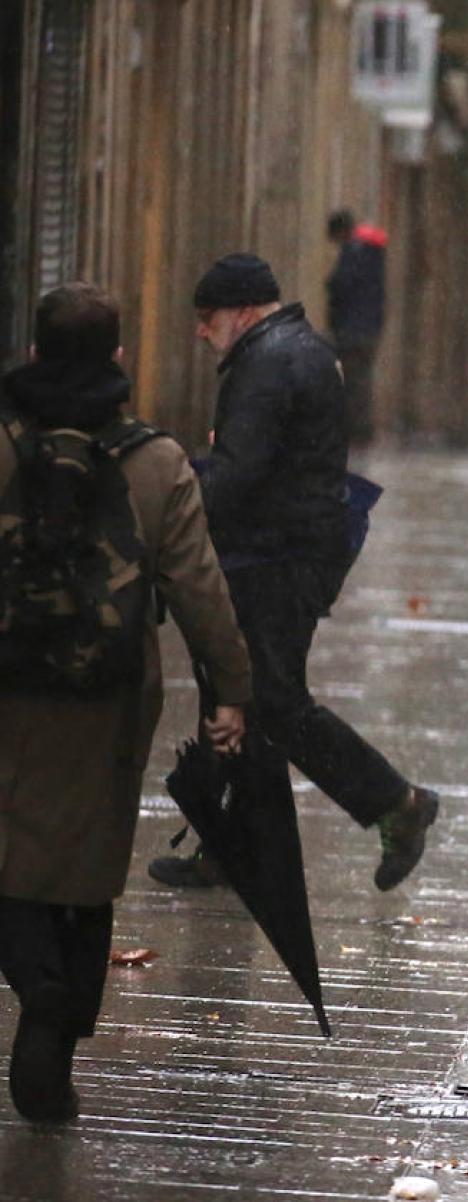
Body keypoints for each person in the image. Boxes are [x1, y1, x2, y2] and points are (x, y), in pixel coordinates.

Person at [0, 283, 253, 1121]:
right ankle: (64, 1018)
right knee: (90, 855)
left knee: (10, 844)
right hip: (110, 694)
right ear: (117, 359)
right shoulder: (155, 461)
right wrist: (232, 690)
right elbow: (199, 589)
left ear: (34, 352)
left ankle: (34, 985)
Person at [147, 254, 440, 894]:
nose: (201, 331)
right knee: (234, 694)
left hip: (275, 559)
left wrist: (172, 509)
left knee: (270, 701)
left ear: (244, 311)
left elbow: (240, 472)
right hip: (284, 550)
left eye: (207, 318)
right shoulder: (293, 350)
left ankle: (396, 803)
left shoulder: (270, 363)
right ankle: (227, 846)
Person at [325, 210, 387, 446]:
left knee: (354, 380)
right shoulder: (370, 252)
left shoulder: (354, 252)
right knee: (360, 379)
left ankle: (357, 431)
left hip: (353, 329)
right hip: (368, 328)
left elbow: (343, 285)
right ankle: (360, 429)